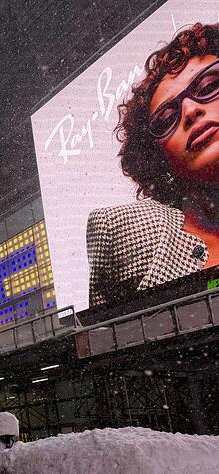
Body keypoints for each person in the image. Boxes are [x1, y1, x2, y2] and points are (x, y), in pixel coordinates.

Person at [87, 22, 219, 306]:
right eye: (166, 119)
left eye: (209, 86)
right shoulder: (126, 236)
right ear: (159, 157)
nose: (190, 110)